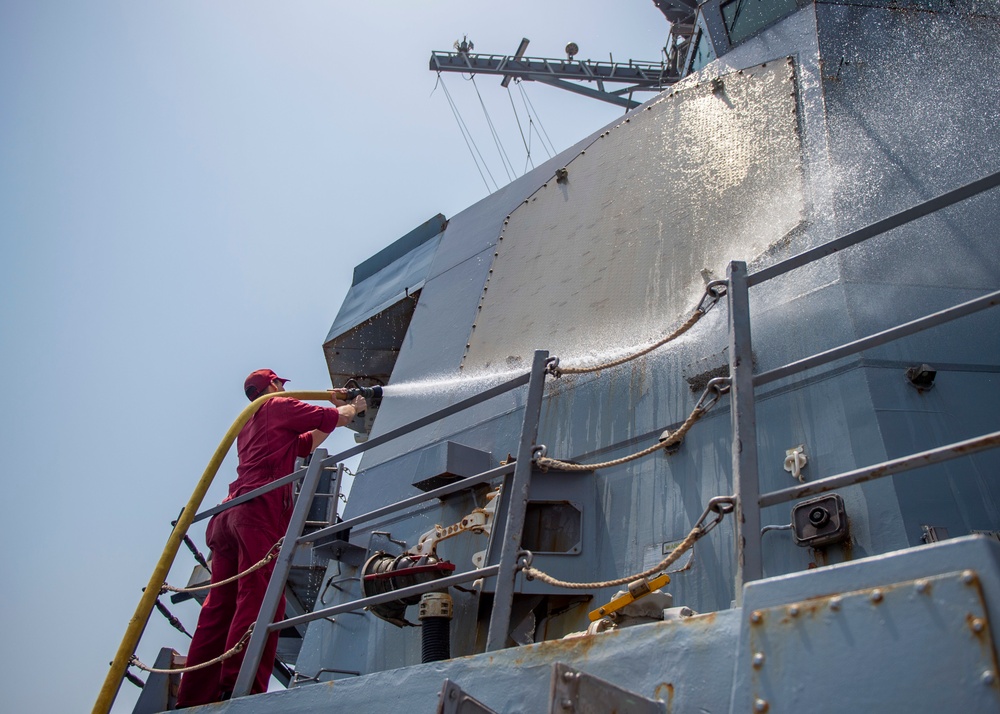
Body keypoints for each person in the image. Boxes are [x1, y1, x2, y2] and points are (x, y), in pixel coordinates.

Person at [175, 369, 365, 707]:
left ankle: (194, 694)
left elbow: (307, 442)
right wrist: (354, 407)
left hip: (228, 515)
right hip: (257, 513)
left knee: (218, 608)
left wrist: (336, 408)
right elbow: (333, 418)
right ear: (274, 384)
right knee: (260, 600)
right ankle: (241, 687)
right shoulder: (278, 404)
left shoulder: (250, 422)